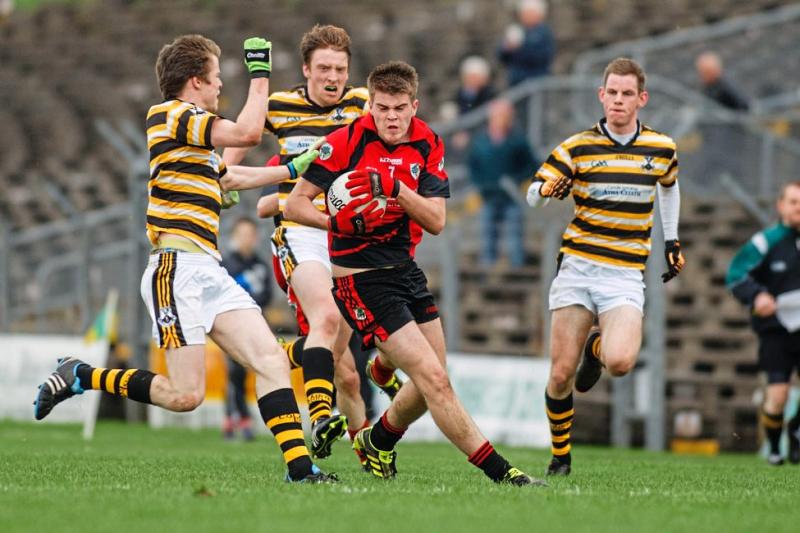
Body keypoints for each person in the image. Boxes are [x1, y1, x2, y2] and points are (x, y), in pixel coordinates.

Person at [33, 34, 335, 483]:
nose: (219, 89)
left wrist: (294, 169)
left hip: (207, 271)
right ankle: (80, 374)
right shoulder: (171, 114)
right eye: (216, 80)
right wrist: (260, 74)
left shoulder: (193, 138)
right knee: (184, 396)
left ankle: (300, 470)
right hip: (175, 272)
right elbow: (250, 134)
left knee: (271, 361)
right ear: (196, 81)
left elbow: (231, 175)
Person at [285, 60, 543, 486]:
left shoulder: (427, 143)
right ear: (370, 105)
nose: (391, 117)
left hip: (405, 271)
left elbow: (438, 221)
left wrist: (396, 191)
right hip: (359, 280)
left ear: (414, 106)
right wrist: (341, 222)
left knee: (429, 383)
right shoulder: (344, 142)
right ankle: (505, 474)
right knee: (435, 380)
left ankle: (379, 439)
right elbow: (295, 205)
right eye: (382, 108)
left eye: (399, 108)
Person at [224, 25, 401, 464]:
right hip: (300, 234)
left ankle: (369, 454)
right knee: (325, 320)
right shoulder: (281, 106)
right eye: (323, 67)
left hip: (350, 237)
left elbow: (400, 136)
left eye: (340, 68)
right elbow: (243, 135)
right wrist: (224, 174)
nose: (332, 76)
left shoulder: (364, 105)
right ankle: (321, 418)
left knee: (348, 372)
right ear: (306, 69)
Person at [526, 57, 684, 476]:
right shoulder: (577, 146)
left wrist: (671, 239)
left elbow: (669, 189)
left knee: (621, 361)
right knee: (560, 373)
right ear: (601, 95)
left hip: (624, 273)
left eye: (626, 93)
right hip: (578, 266)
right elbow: (532, 194)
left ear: (641, 99)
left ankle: (595, 350)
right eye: (611, 92)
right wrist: (546, 190)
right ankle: (561, 458)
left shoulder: (661, 148)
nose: (618, 100)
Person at [726, 180, 800, 466]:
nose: (798, 209)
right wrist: (757, 297)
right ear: (781, 206)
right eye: (793, 202)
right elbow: (736, 276)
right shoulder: (765, 242)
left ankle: (795, 430)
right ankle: (774, 449)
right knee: (778, 394)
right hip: (775, 331)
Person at [468, 98, 536, 268]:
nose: (502, 119)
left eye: (505, 115)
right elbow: (472, 166)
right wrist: (481, 185)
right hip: (489, 196)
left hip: (511, 196)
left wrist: (516, 180)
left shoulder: (518, 140)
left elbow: (531, 165)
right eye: (498, 115)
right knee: (488, 233)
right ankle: (487, 268)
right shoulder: (480, 142)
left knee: (514, 233)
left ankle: (516, 267)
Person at [220, 217, 272, 441]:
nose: (246, 240)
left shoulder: (260, 265)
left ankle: (240, 416)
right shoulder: (227, 265)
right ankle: (238, 417)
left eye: (250, 235)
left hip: (257, 322)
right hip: (232, 325)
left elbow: (267, 294)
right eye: (242, 235)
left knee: (258, 369)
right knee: (235, 371)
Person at [497, 0, 555, 87]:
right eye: (524, 13)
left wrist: (519, 48)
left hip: (537, 83)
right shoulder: (516, 31)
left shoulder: (544, 33)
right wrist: (506, 48)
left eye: (530, 13)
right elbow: (501, 56)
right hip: (516, 83)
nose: (526, 16)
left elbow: (543, 56)